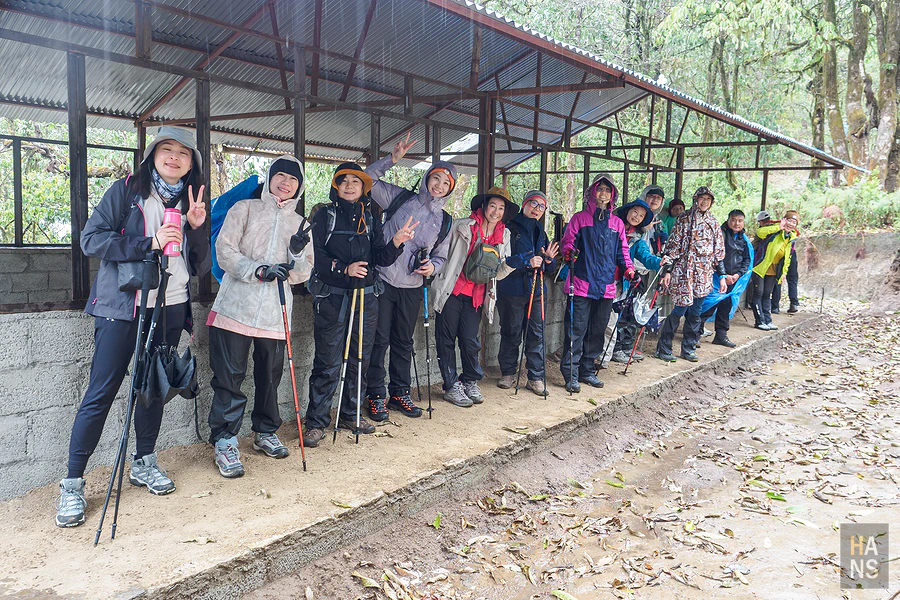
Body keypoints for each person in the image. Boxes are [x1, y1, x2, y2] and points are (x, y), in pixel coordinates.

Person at [56, 126, 209, 527]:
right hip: (123, 308)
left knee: (152, 388)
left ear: (192, 163)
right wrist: (149, 243)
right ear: (152, 154)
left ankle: (143, 462)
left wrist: (196, 228)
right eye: (166, 149)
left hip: (170, 307)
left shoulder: (191, 201)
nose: (174, 157)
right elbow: (92, 240)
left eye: (183, 153)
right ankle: (72, 484)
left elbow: (199, 265)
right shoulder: (125, 192)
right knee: (101, 391)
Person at [206, 155, 313, 478]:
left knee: (270, 376)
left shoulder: (300, 224)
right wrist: (258, 270)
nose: (285, 182)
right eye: (280, 175)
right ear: (270, 178)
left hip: (274, 313)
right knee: (229, 376)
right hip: (235, 307)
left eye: (292, 179)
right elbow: (225, 251)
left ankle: (265, 431)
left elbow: (304, 272)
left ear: (299, 186)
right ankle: (225, 439)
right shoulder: (245, 209)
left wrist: (295, 254)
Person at [303, 163, 416, 448]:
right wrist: (345, 269)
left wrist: (396, 243)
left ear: (364, 188)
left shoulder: (370, 217)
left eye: (356, 181)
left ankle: (350, 414)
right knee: (328, 361)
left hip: (366, 298)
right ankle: (316, 422)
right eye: (344, 181)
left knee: (359, 359)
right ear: (336, 187)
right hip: (332, 299)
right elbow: (315, 256)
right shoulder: (324, 215)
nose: (350, 186)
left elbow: (380, 258)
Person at [363, 135, 457, 421]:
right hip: (383, 280)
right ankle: (375, 395)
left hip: (413, 286)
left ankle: (399, 393)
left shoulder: (446, 221)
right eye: (436, 178)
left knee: (403, 341)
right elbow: (367, 180)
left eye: (446, 183)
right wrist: (391, 160)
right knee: (379, 340)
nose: (439, 185)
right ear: (427, 178)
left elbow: (441, 257)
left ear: (450, 189)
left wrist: (432, 268)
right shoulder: (400, 197)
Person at [432, 187, 516, 406]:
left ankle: (469, 380)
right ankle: (451, 385)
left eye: (501, 208)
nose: (496, 212)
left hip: (477, 296)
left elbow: (497, 272)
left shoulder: (504, 235)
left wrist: (511, 265)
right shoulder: (462, 226)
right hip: (452, 290)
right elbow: (443, 252)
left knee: (470, 341)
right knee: (446, 339)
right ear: (483, 206)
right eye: (492, 206)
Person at [559, 174, 635, 393]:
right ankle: (571, 374)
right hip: (581, 283)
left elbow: (623, 251)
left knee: (597, 331)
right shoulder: (579, 218)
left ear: (613, 195)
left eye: (607, 190)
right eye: (600, 189)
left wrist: (629, 270)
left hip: (606, 286)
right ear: (592, 192)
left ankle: (587, 370)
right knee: (576, 330)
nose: (603, 193)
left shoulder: (617, 223)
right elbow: (568, 242)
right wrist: (569, 252)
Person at [496, 190, 559, 396]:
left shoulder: (541, 231)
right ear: (524, 204)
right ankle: (508, 373)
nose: (537, 209)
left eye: (542, 206)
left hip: (537, 288)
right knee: (511, 331)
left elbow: (548, 268)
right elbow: (503, 260)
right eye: (533, 203)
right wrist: (527, 261)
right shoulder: (509, 227)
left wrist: (548, 260)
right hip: (512, 288)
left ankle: (535, 377)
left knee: (536, 333)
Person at [655, 186, 726, 363]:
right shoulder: (684, 218)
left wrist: (722, 276)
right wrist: (668, 270)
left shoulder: (713, 221)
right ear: (695, 199)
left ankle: (689, 348)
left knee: (696, 312)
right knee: (679, 309)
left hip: (704, 274)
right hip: (684, 272)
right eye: (702, 198)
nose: (704, 202)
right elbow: (672, 246)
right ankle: (663, 348)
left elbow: (719, 251)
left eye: (708, 199)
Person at [610, 199, 661, 363]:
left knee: (620, 318)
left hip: (622, 282)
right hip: (603, 279)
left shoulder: (637, 240)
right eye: (635, 212)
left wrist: (660, 262)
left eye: (641, 216)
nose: (636, 217)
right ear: (627, 211)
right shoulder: (611, 228)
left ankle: (618, 349)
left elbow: (646, 258)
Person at [698, 209, 752, 348]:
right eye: (733, 220)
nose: (736, 223)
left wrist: (738, 275)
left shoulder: (743, 239)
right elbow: (716, 256)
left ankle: (721, 336)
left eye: (740, 221)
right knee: (708, 306)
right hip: (716, 278)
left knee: (725, 307)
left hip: (733, 280)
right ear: (728, 220)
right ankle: (695, 335)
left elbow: (747, 259)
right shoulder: (720, 235)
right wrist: (723, 275)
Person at [751, 210, 800, 330]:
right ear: (784, 220)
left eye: (794, 222)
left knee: (767, 294)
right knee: (758, 293)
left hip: (774, 270)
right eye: (789, 220)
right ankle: (759, 321)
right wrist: (779, 227)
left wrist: (783, 273)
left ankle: (768, 320)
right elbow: (760, 232)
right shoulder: (774, 229)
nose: (791, 224)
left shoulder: (791, 237)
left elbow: (788, 258)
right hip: (760, 267)